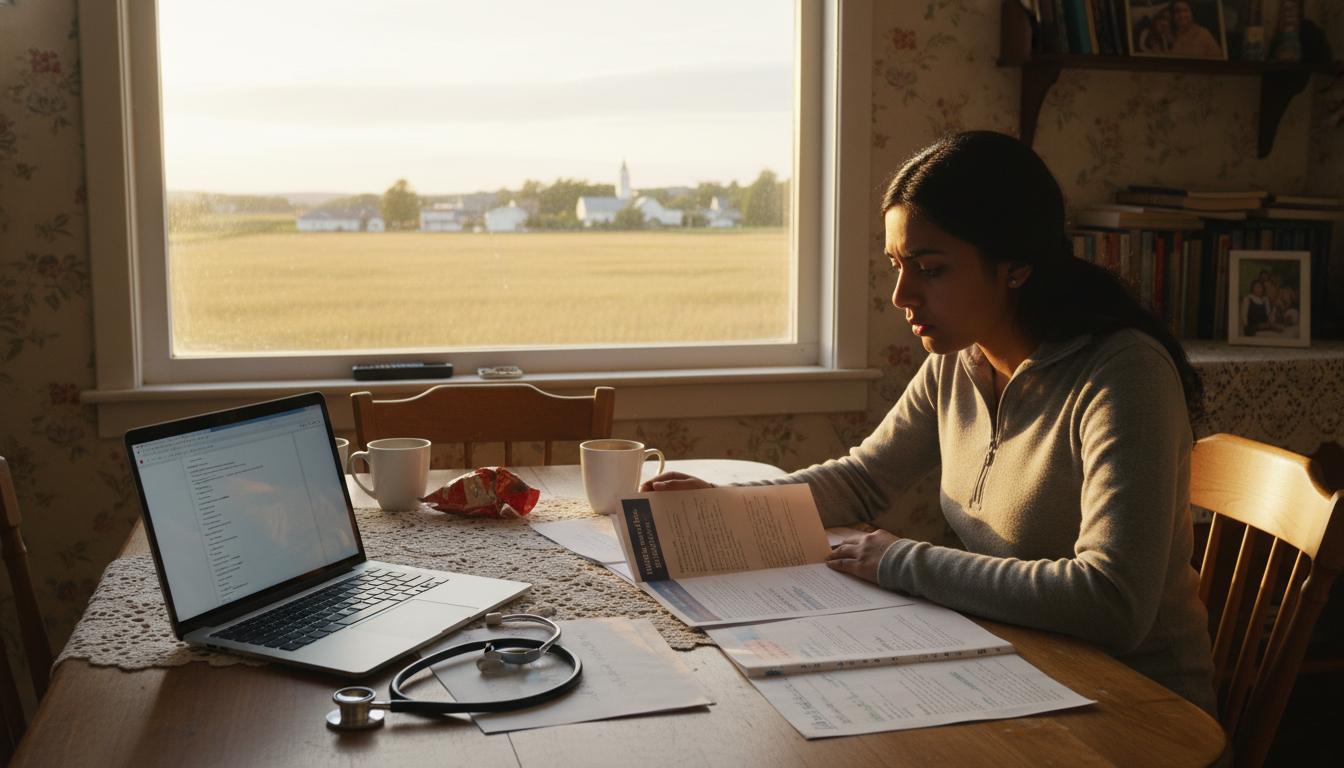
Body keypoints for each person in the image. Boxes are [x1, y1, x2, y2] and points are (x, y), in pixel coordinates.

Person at [641, 131, 1218, 717]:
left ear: (1016, 266)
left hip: (1138, 708)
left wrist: (899, 561)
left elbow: (1113, 603)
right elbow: (864, 479)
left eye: (931, 268)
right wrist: (726, 506)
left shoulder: (1125, 375)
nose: (901, 294)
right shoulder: (959, 359)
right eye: (897, 264)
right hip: (1011, 666)